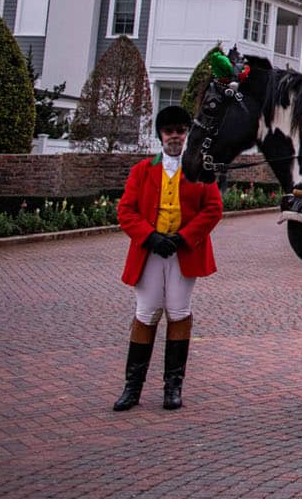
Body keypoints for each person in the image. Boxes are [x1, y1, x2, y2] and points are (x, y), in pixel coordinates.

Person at [112, 105, 223, 411]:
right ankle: (132, 388)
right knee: (146, 312)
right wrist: (149, 236)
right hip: (150, 251)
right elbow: (126, 211)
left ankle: (172, 387)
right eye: (169, 131)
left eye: (180, 131)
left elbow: (213, 209)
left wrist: (184, 238)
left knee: (178, 312)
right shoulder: (142, 170)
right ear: (160, 135)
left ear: (187, 134)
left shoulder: (201, 170)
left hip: (182, 252)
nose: (175, 136)